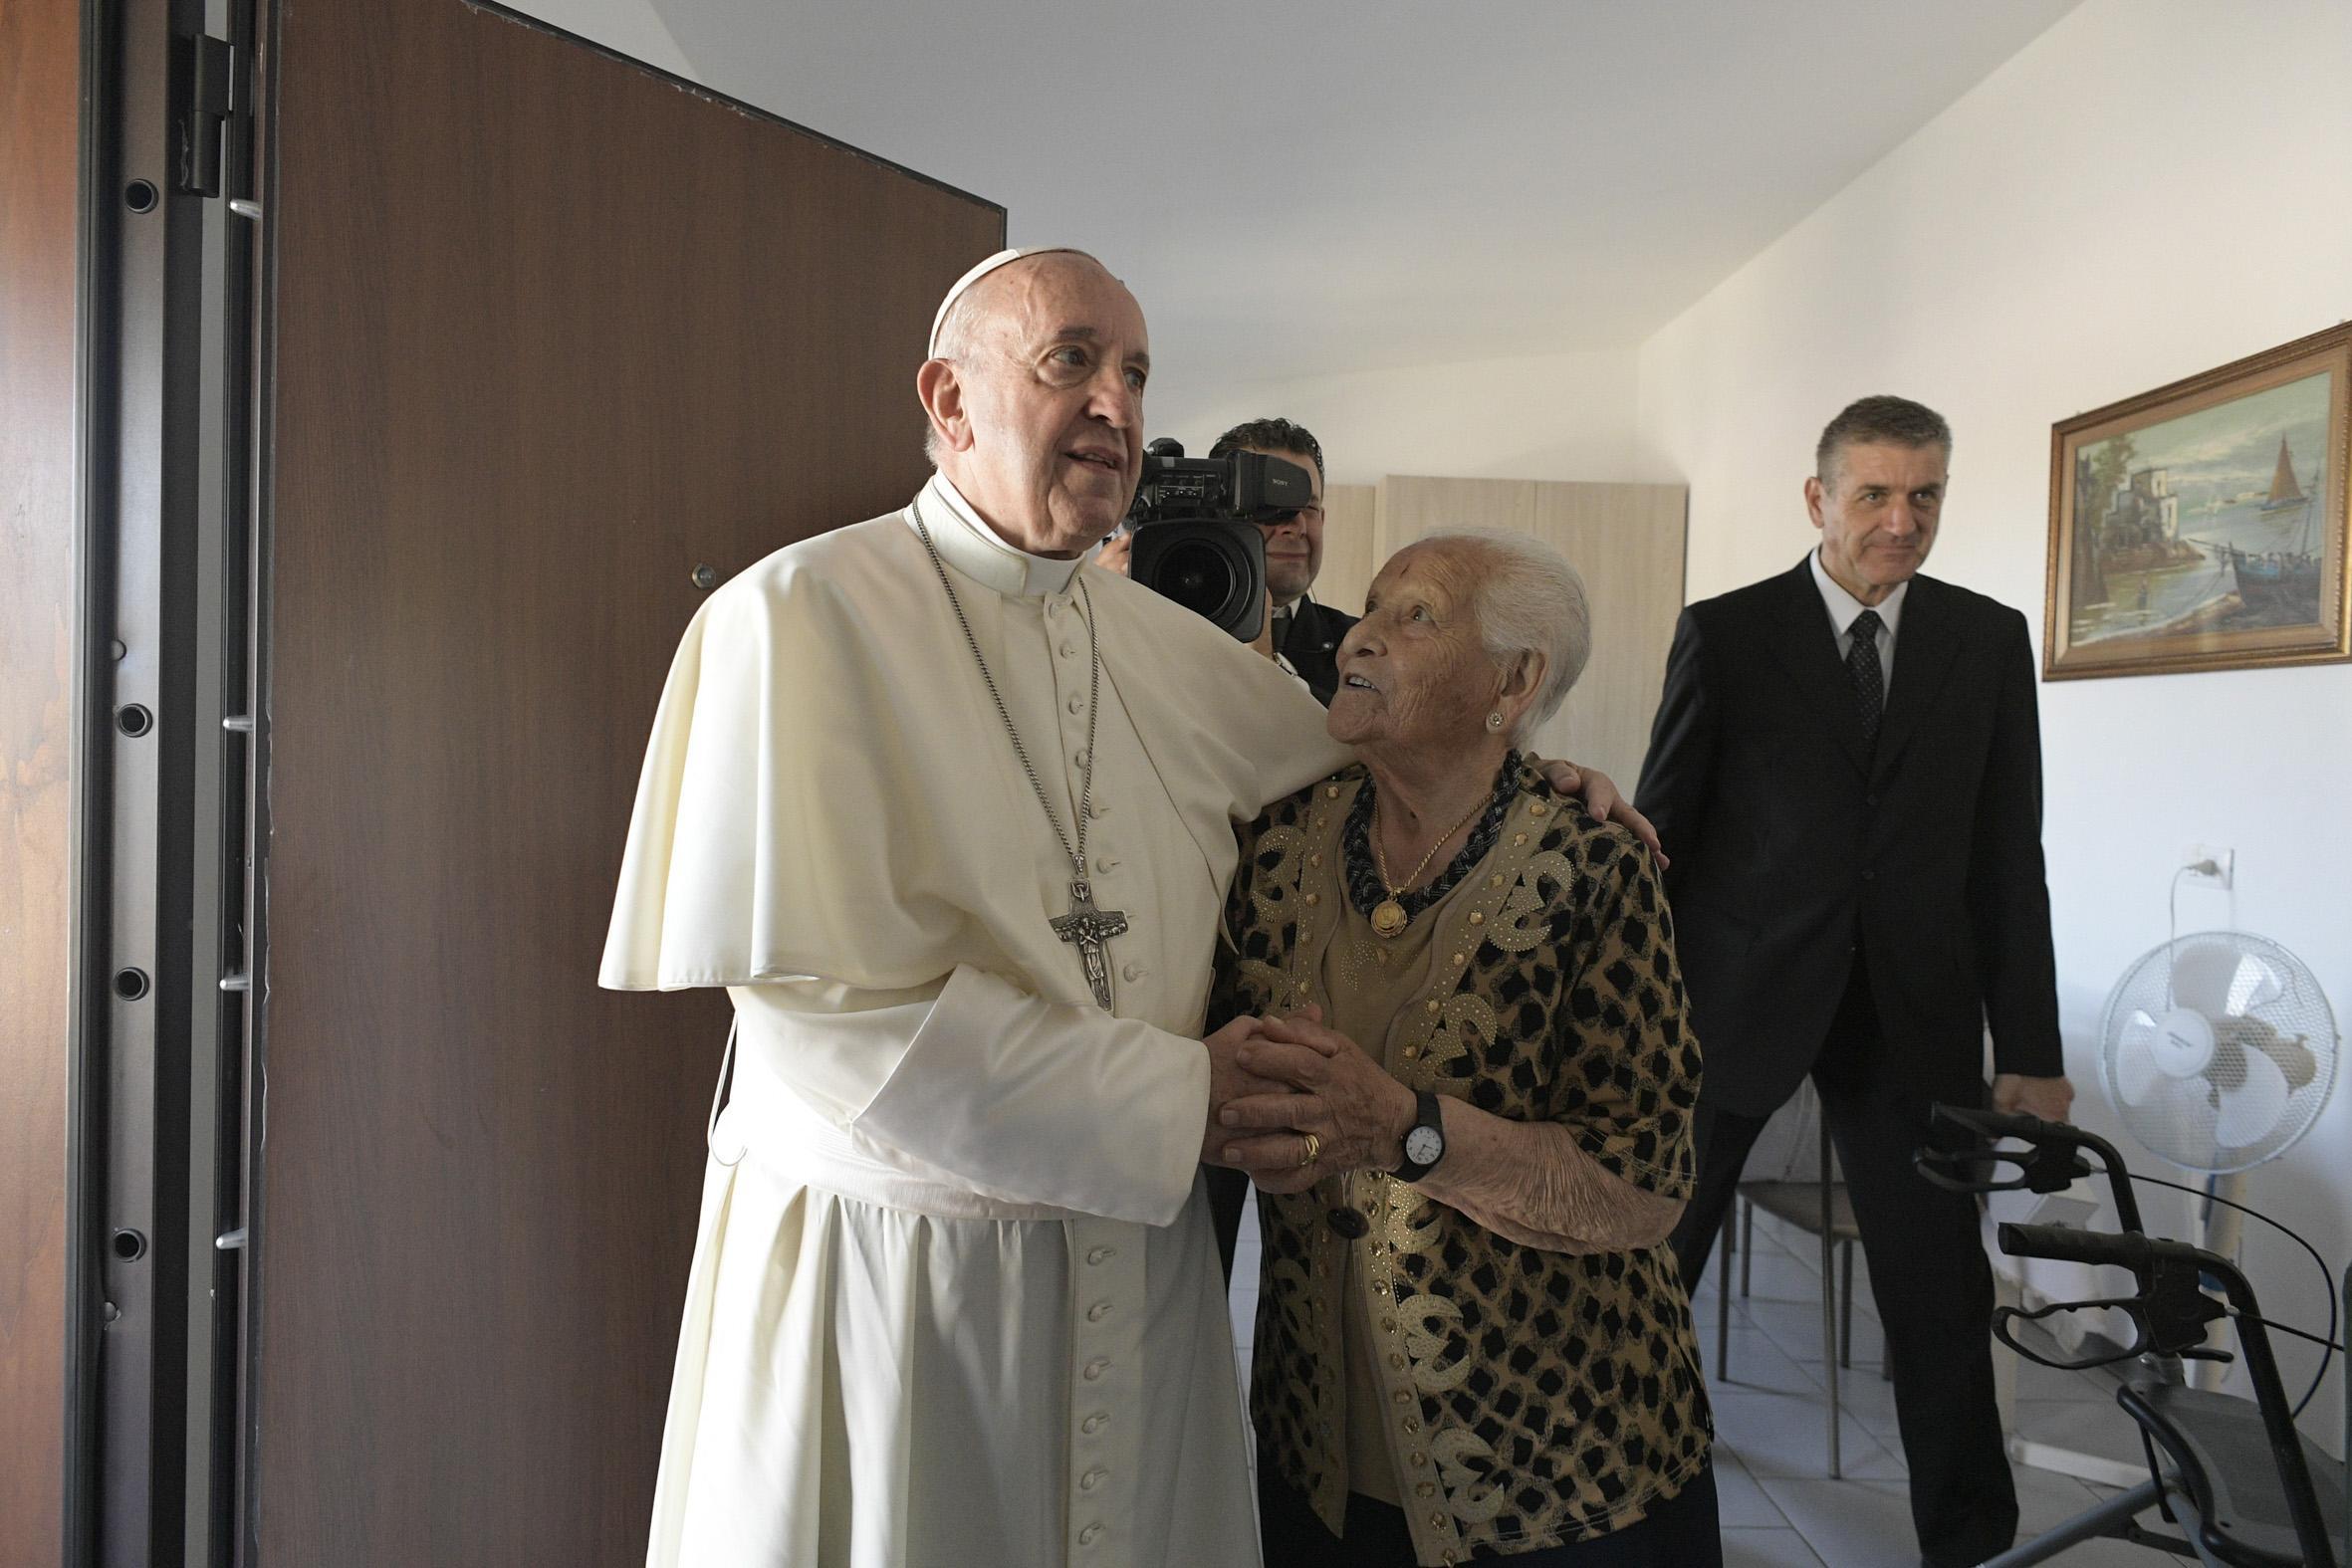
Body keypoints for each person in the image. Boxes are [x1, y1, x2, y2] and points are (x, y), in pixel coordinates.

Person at [599, 246, 1653, 1568]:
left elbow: (1388, 782)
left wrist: (1537, 775)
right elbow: (829, 1029)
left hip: (1136, 1274)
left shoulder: (1182, 659)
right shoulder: (797, 616)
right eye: (1070, 361)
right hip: (906, 1298)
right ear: (951, 398)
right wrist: (1177, 1100)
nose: (1116, 402)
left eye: (1137, 372)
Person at [1209, 532, 1719, 1567]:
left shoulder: (1595, 866)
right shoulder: (1271, 839)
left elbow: (1645, 1184)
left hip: (1562, 1467)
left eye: (1416, 618)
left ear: (1513, 682)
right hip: (1320, 1457)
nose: (1360, 637)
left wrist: (1412, 1134)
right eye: (1372, 606)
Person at [1635, 395, 2072, 1568]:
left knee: (1938, 1296)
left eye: (1923, 494)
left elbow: (2005, 856)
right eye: (1875, 493)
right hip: (1731, 997)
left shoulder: (1985, 642)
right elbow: (1661, 832)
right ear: (1818, 498)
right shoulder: (1725, 634)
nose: (1901, 519)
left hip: (1914, 1014)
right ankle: (1611, 1501)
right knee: (1648, 1258)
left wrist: (2029, 1048)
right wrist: (1629, 1013)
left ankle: (1968, 1538)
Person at [1209, 417, 1359, 704]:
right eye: (1272, 506)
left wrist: (1266, 666)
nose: (1298, 525)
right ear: (1215, 517)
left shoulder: (1362, 647)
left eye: (1310, 507)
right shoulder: (1158, 627)